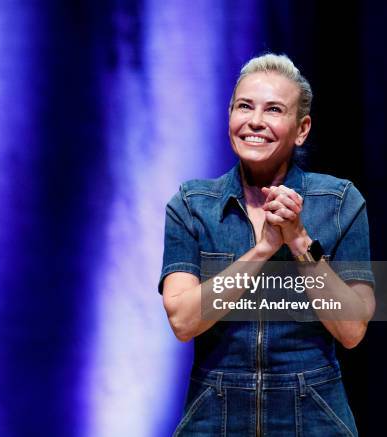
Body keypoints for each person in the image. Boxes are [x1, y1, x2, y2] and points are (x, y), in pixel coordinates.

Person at [158, 53, 375, 436]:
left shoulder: (340, 202)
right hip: (215, 417)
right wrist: (261, 251)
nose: (255, 121)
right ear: (230, 117)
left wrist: (298, 239)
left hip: (315, 416)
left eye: (274, 109)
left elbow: (352, 329)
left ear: (302, 128)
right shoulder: (192, 205)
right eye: (245, 106)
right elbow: (183, 320)